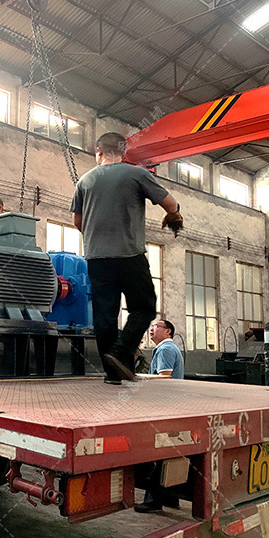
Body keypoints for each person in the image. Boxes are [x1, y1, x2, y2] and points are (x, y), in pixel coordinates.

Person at [70, 132, 183, 385]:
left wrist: (99, 236)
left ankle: (113, 375)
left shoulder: (84, 181)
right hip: (129, 254)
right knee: (144, 307)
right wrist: (175, 215)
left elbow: (78, 221)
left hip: (97, 258)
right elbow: (170, 204)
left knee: (105, 315)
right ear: (123, 152)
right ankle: (121, 352)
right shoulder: (137, 174)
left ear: (97, 151)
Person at [135, 319, 185, 513]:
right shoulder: (167, 349)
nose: (151, 329)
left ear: (168, 331)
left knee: (157, 454)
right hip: (171, 406)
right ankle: (171, 498)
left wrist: (138, 380)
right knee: (170, 453)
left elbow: (164, 378)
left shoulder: (165, 350)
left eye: (156, 326)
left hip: (164, 406)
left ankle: (153, 501)